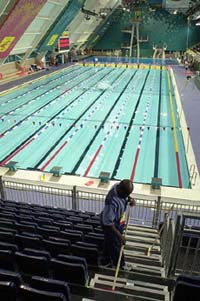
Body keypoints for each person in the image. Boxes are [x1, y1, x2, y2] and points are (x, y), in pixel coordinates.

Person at [100, 179, 136, 269]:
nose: (127, 196)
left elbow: (126, 197)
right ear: (121, 191)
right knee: (117, 243)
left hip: (116, 219)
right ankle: (120, 265)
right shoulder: (111, 202)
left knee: (109, 242)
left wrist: (130, 199)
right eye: (126, 194)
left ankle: (105, 260)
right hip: (110, 224)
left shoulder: (117, 186)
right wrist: (120, 236)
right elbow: (108, 223)